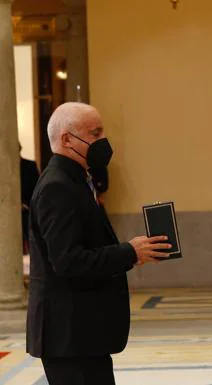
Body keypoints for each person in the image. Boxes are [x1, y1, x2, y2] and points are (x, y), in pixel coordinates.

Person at [27, 102, 172, 385]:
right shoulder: (58, 186)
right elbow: (68, 261)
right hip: (69, 335)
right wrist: (129, 252)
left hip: (83, 334)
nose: (102, 141)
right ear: (67, 139)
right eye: (94, 133)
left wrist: (134, 254)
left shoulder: (76, 179)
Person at [20, 143, 39, 253]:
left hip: (27, 210)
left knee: (32, 241)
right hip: (10, 210)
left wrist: (25, 205)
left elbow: (36, 189)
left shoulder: (30, 165)